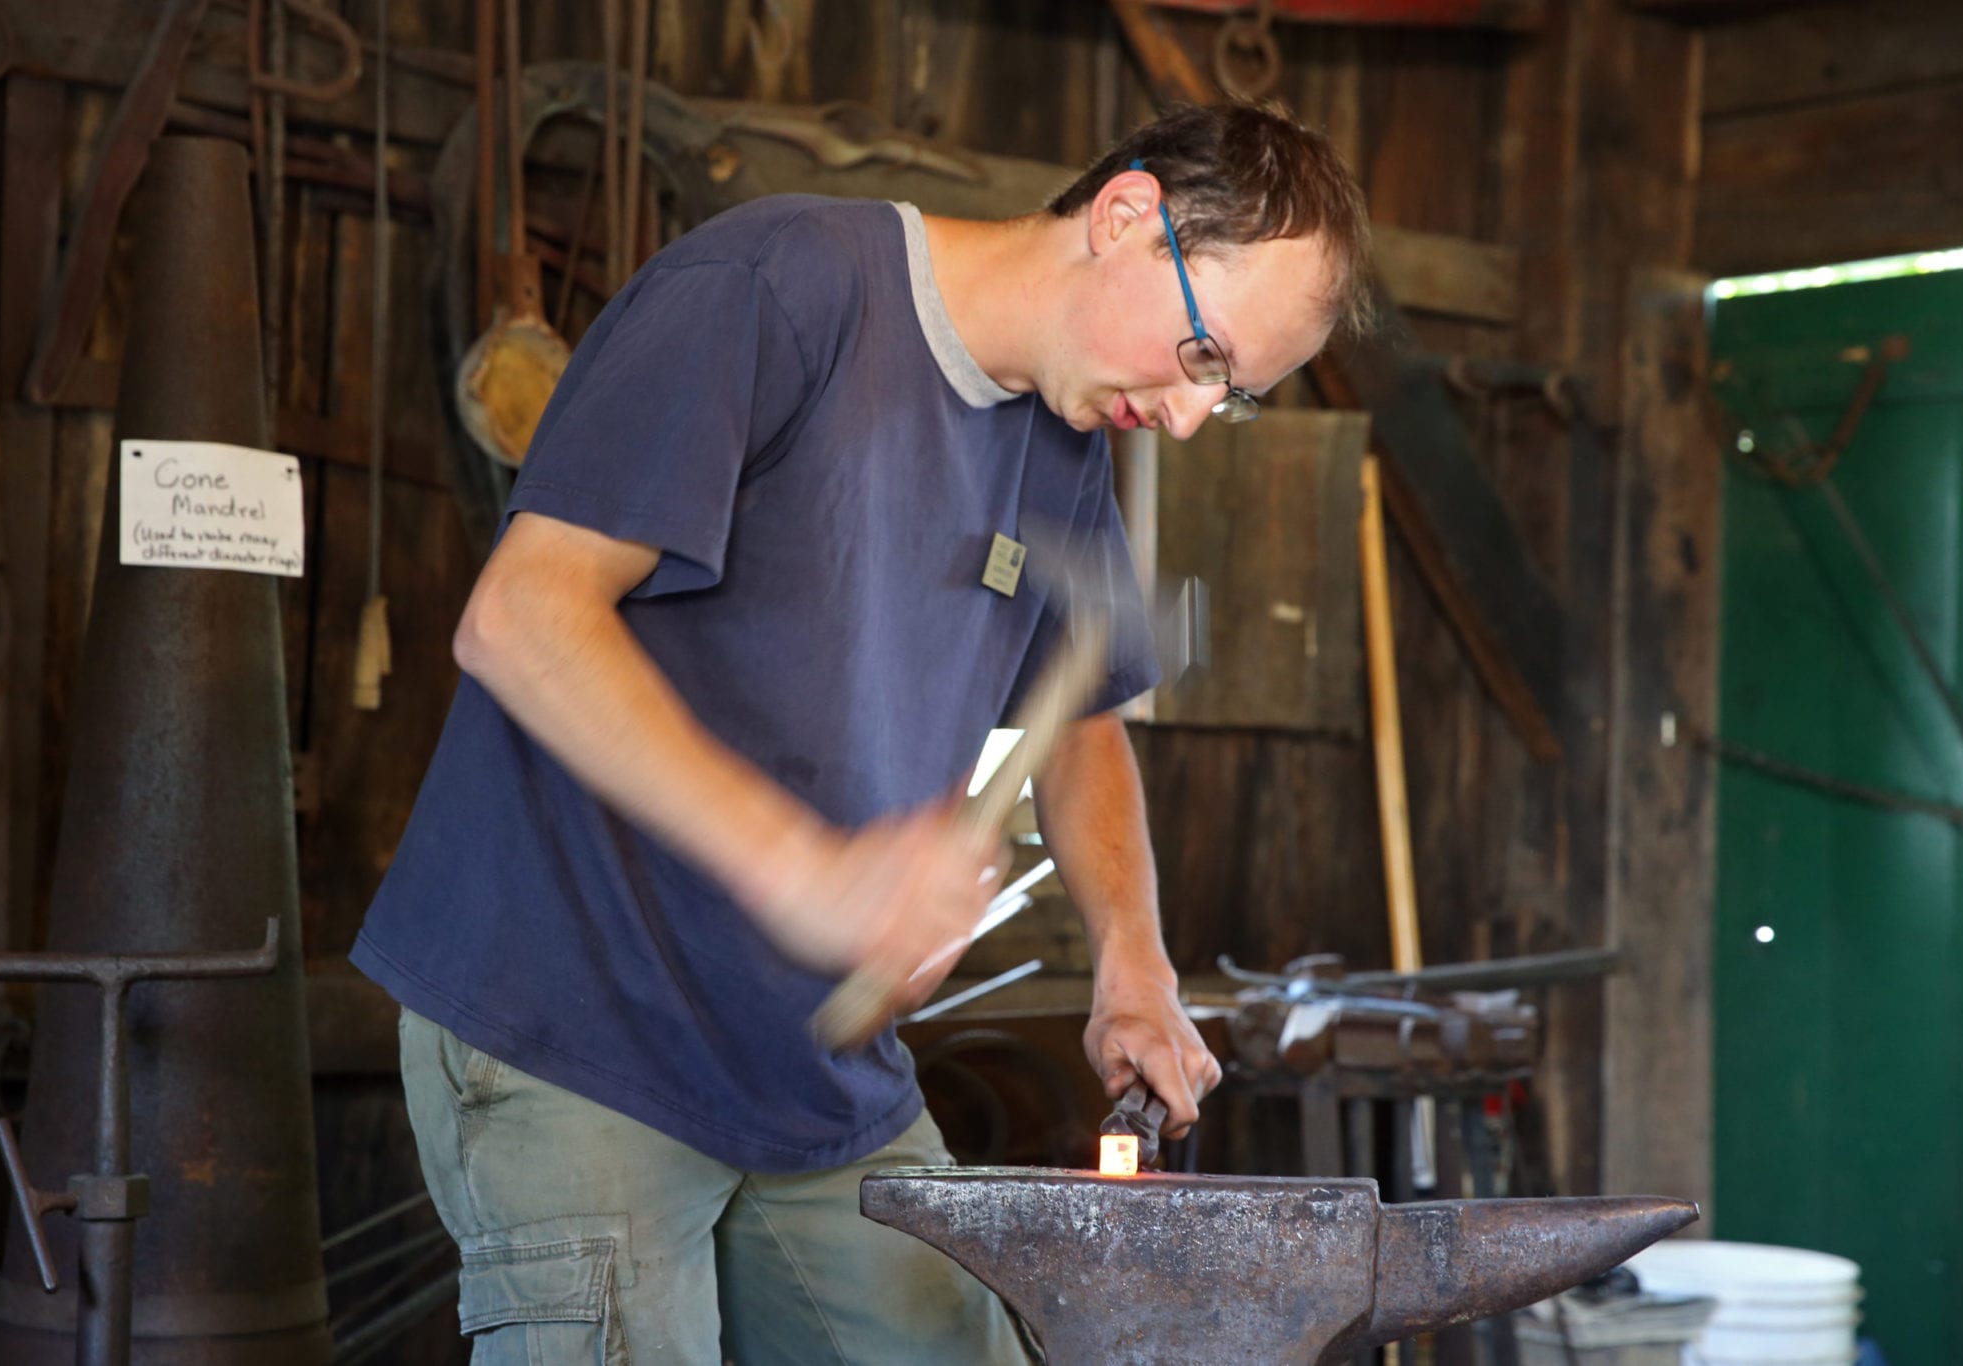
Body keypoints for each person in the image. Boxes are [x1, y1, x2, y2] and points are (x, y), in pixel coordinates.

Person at [350, 100, 1371, 1363]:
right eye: (1202, 355)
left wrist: (1133, 962)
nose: (1186, 414)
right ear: (1124, 217)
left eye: (1234, 395)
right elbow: (520, 617)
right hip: (574, 1020)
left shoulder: (1065, 428)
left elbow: (1079, 720)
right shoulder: (776, 288)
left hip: (812, 1064)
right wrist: (806, 871)